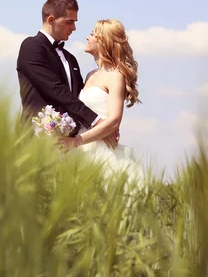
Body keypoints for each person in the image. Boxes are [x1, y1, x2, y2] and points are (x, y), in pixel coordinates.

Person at [16, 0, 118, 147]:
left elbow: (79, 98)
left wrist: (104, 129)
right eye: (69, 22)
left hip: (68, 146)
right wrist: (96, 121)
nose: (74, 28)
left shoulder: (70, 59)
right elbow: (55, 89)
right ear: (51, 20)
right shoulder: (32, 47)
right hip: (35, 142)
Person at [61, 19, 147, 189]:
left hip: (101, 150)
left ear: (103, 41)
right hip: (82, 151)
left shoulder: (116, 76)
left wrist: (77, 141)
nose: (87, 37)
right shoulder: (89, 75)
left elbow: (114, 120)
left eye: (93, 34)